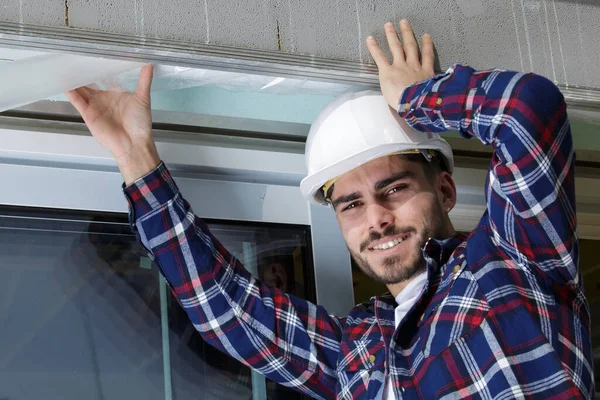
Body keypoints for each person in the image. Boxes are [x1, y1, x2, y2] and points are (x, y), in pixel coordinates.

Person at [66, 20, 593, 399]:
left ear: (447, 192)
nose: (377, 219)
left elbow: (529, 111)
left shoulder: (513, 257)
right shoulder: (356, 354)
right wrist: (137, 158)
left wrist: (417, 97)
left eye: (394, 188)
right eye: (352, 204)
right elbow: (226, 310)